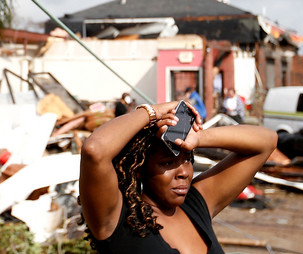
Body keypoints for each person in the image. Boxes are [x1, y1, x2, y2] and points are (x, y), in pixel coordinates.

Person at [79, 101, 277, 253]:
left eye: (188, 159)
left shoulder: (196, 205)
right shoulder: (117, 220)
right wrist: (153, 112)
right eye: (167, 163)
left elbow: (266, 141)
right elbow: (95, 150)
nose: (183, 172)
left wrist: (198, 138)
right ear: (140, 169)